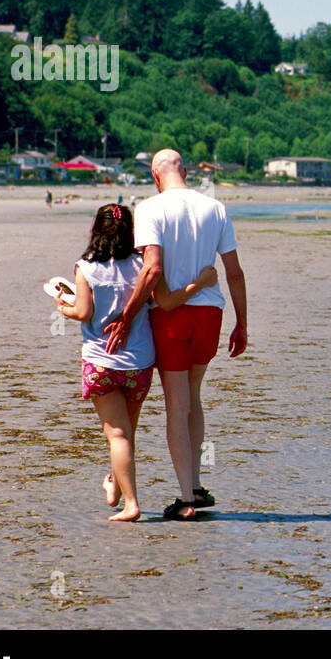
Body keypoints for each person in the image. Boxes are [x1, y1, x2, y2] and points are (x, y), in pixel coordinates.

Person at [103, 149, 247, 521]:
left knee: (176, 405)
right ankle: (195, 483)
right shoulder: (215, 208)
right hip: (211, 313)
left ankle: (186, 498)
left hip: (171, 317)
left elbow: (152, 269)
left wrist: (126, 316)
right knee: (193, 398)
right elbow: (234, 272)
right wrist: (242, 323)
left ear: (155, 176)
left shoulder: (150, 208)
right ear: (185, 171)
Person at [54, 203, 218, 521]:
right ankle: (115, 487)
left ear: (96, 230)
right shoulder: (143, 265)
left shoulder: (86, 266)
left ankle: (131, 504)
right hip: (139, 362)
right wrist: (200, 283)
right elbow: (165, 300)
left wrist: (63, 306)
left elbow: (84, 312)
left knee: (117, 435)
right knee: (127, 432)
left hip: (101, 362)